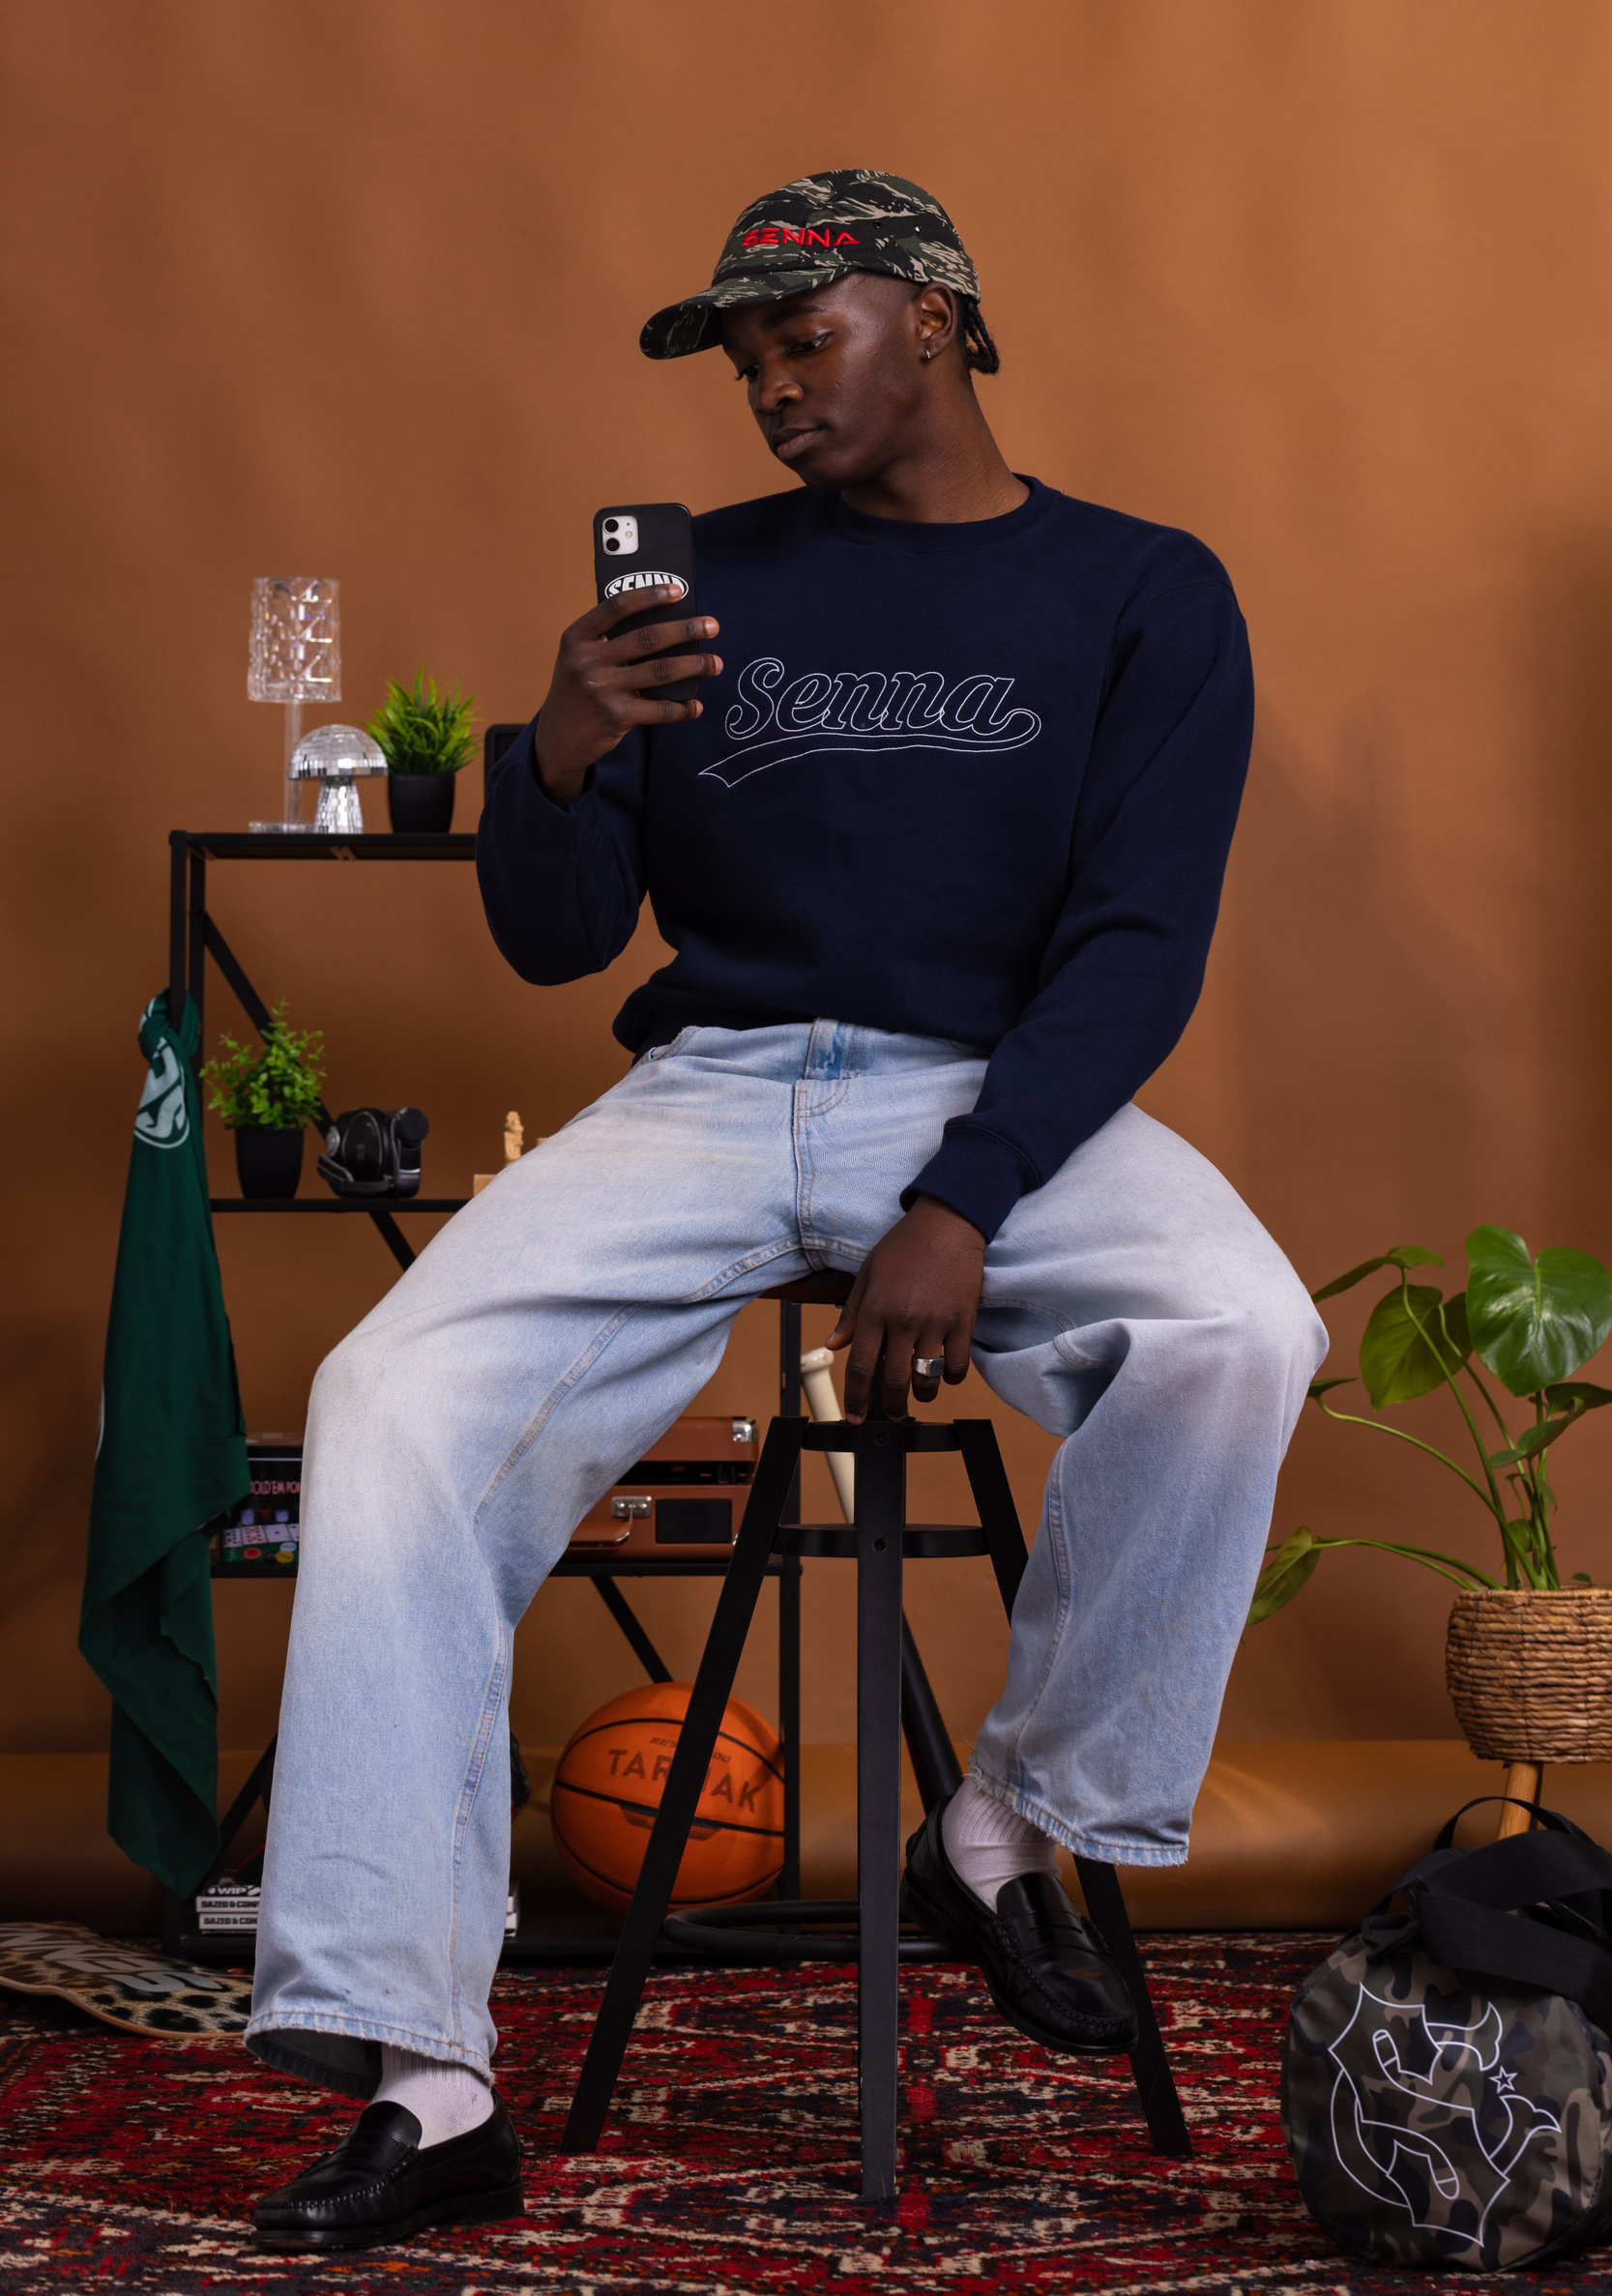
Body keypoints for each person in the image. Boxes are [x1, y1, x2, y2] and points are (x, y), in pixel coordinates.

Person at [245, 170, 1326, 2252]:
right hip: (716, 1088)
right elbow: (561, 942)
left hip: (999, 1082)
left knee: (1239, 1328)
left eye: (799, 336)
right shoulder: (698, 586)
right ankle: (424, 2074)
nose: (765, 385)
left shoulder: (1140, 589)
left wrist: (964, 1195)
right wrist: (560, 758)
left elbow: (1137, 945)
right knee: (387, 1396)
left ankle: (1004, 1826)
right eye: (740, 357)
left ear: (937, 318)